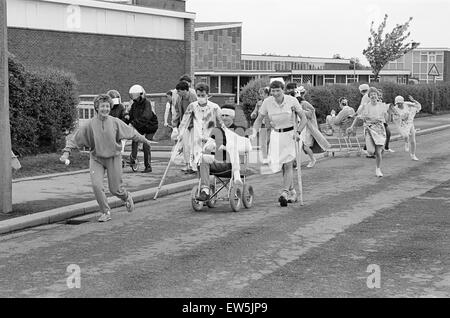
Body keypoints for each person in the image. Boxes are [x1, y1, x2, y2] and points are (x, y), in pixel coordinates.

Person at [60, 94, 154, 222]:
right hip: (96, 158)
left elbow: (131, 133)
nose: (105, 109)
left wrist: (145, 140)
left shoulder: (115, 122)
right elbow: (75, 139)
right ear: (97, 108)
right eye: (102, 106)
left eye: (107, 106)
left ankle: (126, 197)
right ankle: (105, 211)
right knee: (96, 185)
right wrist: (66, 152)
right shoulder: (90, 124)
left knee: (115, 189)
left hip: (113, 158)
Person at [250, 80, 308, 206]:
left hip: (292, 134)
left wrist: (298, 132)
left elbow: (303, 119)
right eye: (273, 91)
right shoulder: (267, 102)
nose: (275, 93)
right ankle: (292, 192)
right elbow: (259, 119)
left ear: (283, 90)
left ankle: (285, 192)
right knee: (281, 164)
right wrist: (254, 132)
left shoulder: (292, 100)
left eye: (278, 91)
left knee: (288, 164)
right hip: (276, 135)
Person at [197, 104, 252, 201]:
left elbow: (247, 147)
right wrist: (209, 146)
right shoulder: (216, 130)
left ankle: (236, 178)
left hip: (232, 164)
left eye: (227, 115)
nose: (224, 118)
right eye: (222, 115)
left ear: (232, 117)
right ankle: (205, 190)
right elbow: (208, 147)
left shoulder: (240, 130)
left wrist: (227, 147)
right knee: (202, 158)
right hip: (218, 161)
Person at [173, 83, 226, 178]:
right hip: (197, 140)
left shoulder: (214, 107)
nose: (200, 97)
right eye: (198, 95)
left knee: (208, 165)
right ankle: (202, 187)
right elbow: (184, 121)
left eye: (203, 95)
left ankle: (208, 185)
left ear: (207, 95)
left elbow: (222, 122)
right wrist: (179, 133)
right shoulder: (192, 106)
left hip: (210, 141)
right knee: (198, 165)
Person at [347, 87, 389, 177]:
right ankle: (375, 152)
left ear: (378, 96)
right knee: (370, 151)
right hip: (369, 129)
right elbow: (358, 117)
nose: (373, 96)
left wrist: (387, 114)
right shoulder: (365, 107)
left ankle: (378, 169)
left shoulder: (382, 106)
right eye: (371, 95)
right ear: (369, 97)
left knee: (378, 151)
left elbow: (387, 119)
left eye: (375, 94)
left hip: (380, 129)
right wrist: (351, 127)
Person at [286, 82, 329, 168]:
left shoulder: (304, 103)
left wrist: (300, 111)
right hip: (298, 127)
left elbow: (311, 113)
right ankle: (296, 163)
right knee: (296, 146)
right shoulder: (293, 104)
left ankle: (312, 159)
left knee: (305, 146)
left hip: (307, 128)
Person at [128, 84, 158, 173]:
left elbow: (146, 116)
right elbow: (131, 116)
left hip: (150, 126)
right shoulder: (134, 105)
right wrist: (126, 121)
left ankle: (148, 166)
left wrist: (134, 123)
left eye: (136, 95)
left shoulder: (147, 103)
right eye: (133, 96)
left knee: (146, 144)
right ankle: (133, 159)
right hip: (140, 127)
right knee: (135, 140)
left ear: (140, 95)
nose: (134, 98)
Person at [171, 80, 198, 173]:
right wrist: (175, 122)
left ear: (185, 90)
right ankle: (187, 165)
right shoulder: (179, 99)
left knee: (193, 145)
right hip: (185, 125)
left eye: (179, 91)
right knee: (186, 145)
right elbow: (177, 111)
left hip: (194, 124)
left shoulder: (193, 97)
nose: (177, 93)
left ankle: (194, 165)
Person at [391, 95, 422, 161]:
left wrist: (413, 100)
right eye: (397, 103)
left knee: (413, 140)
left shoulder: (408, 104)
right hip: (401, 125)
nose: (399, 104)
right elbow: (395, 119)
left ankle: (413, 155)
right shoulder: (395, 109)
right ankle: (406, 142)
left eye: (400, 103)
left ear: (403, 102)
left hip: (410, 123)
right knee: (405, 136)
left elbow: (418, 106)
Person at [377, 89, 395, 153]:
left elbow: (386, 116)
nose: (379, 96)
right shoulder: (374, 103)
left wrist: (389, 112)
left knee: (388, 134)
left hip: (383, 122)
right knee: (377, 136)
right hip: (377, 123)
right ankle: (366, 148)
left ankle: (386, 148)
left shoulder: (382, 103)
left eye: (380, 95)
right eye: (378, 95)